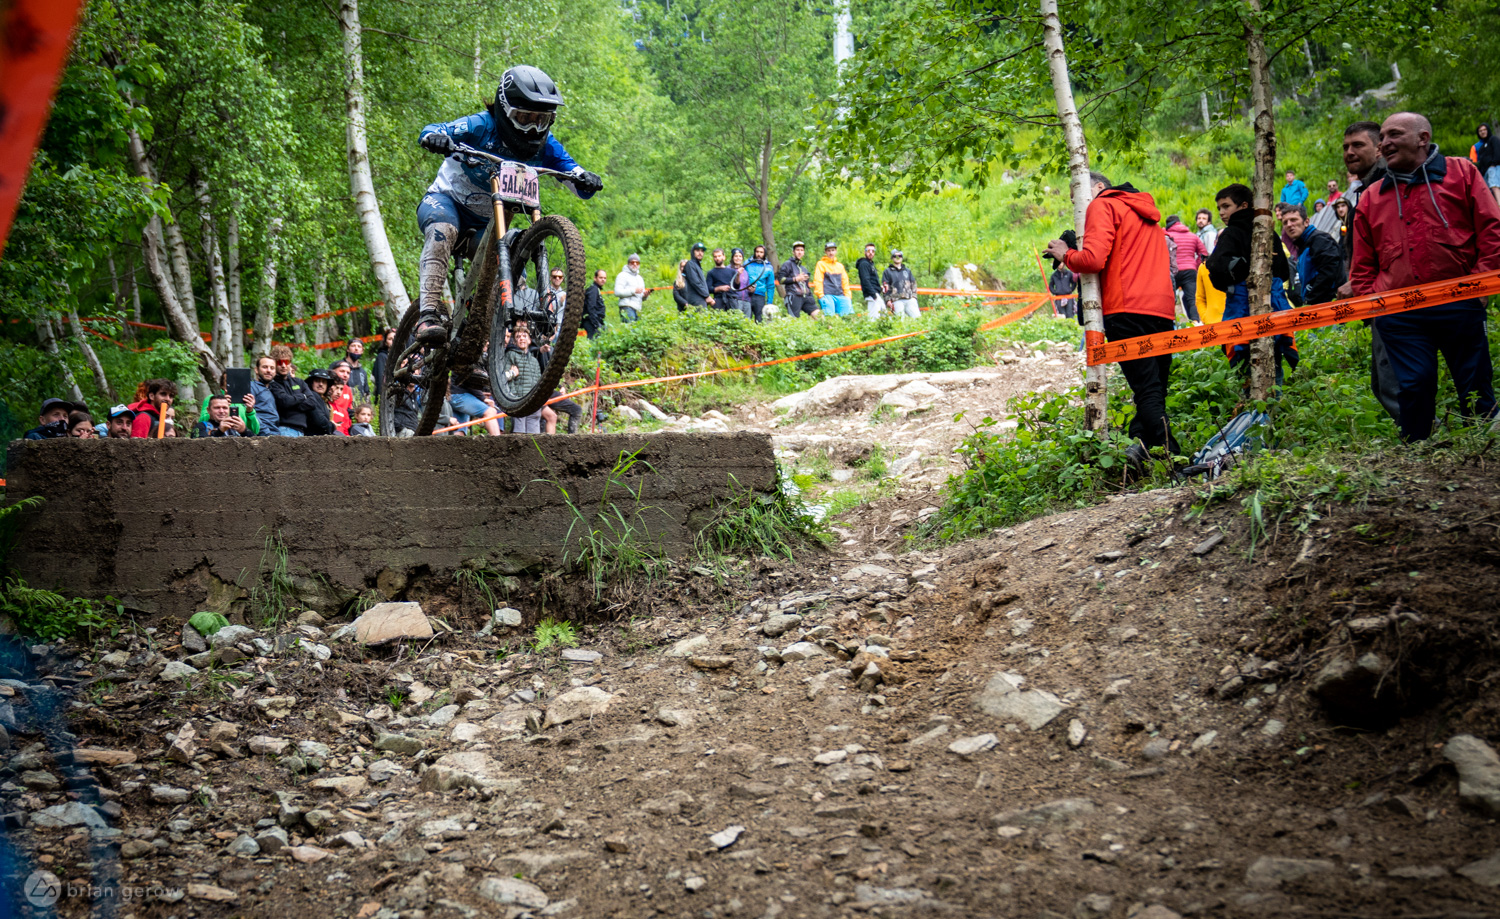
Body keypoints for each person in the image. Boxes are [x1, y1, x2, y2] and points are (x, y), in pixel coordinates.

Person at [412, 65, 602, 345]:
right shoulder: (481, 125)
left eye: (542, 119)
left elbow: (573, 174)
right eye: (525, 118)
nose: (534, 127)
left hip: (489, 226)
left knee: (514, 258)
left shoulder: (546, 145)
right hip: (446, 202)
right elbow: (434, 130)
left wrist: (585, 179)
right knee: (443, 230)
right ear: (505, 109)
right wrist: (435, 138)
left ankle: (483, 347)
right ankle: (427, 315)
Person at [1350, 111, 1500, 442]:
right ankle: (1417, 453)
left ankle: (1486, 451)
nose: (1385, 143)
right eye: (1383, 137)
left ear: (1422, 138)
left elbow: (1492, 229)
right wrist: (1375, 305)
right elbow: (1362, 266)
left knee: (1474, 383)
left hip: (1461, 301)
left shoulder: (1461, 172)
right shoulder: (1372, 198)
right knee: (1413, 385)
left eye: (1394, 135)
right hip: (1401, 315)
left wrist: (1481, 284)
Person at [1044, 171, 1179, 466]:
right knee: (1155, 387)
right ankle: (1142, 447)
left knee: (1147, 390)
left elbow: (1093, 260)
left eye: (1077, 197)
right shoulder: (1145, 212)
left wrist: (1066, 254)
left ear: (1098, 187)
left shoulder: (1102, 205)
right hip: (1161, 309)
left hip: (1126, 308)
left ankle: (1175, 458)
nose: (1077, 205)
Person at [1337, 119, 1400, 425]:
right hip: (1375, 294)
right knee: (1383, 383)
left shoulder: (1389, 184)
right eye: (1346, 146)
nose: (1349, 152)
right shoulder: (1363, 191)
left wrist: (1361, 282)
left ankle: (1423, 438)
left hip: (1392, 294)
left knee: (1390, 382)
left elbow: (1391, 240)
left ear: (1379, 148)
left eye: (1358, 145)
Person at [1207, 183, 1300, 386]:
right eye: (1219, 208)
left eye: (1226, 206)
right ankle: (1275, 408)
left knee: (1246, 369)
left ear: (1243, 206)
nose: (1222, 212)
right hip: (1273, 306)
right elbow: (1284, 270)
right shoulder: (1268, 232)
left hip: (1241, 310)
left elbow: (1214, 266)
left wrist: (1234, 281)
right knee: (1273, 360)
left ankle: (1255, 412)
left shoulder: (1231, 233)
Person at [1280, 204, 1344, 306]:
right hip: (1317, 305)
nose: (1289, 225)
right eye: (1285, 222)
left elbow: (1329, 273)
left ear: (1306, 222)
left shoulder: (1320, 240)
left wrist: (1310, 300)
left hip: (1330, 306)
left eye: (1293, 220)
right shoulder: (1302, 245)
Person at [268, 346, 323, 437]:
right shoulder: (273, 384)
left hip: (302, 431)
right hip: (284, 429)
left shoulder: (299, 382)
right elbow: (285, 401)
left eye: (286, 362)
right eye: (280, 362)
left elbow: (312, 402)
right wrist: (303, 397)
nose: (283, 365)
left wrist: (292, 404)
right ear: (275, 364)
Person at [1163, 215, 1208, 322]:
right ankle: (1195, 322)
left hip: (1172, 272)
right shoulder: (1193, 236)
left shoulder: (1166, 236)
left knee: (1169, 299)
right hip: (1190, 271)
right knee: (1192, 299)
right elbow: (1204, 254)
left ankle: (1170, 322)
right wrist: (1195, 265)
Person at [503, 324, 546, 434]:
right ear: (515, 341)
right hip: (519, 401)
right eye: (518, 337)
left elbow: (538, 382)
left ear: (530, 340)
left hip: (533, 403)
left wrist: (539, 400)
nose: (521, 338)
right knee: (519, 435)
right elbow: (505, 378)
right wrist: (513, 397)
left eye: (524, 336)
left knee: (534, 435)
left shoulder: (534, 360)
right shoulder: (510, 355)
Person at [812, 242, 854, 317]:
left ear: (836, 251)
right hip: (827, 295)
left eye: (832, 250)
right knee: (829, 318)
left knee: (848, 316)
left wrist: (848, 296)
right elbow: (818, 280)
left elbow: (845, 282)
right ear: (825, 252)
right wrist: (821, 295)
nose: (831, 253)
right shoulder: (821, 264)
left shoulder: (840, 266)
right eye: (829, 251)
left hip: (841, 295)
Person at [777, 241, 817, 319]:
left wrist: (811, 296)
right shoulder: (787, 264)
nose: (799, 252)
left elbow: (807, 285)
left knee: (819, 316)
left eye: (801, 250)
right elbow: (781, 280)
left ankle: (830, 330)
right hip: (793, 296)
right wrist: (796, 279)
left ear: (804, 253)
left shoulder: (804, 269)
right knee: (794, 320)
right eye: (797, 250)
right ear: (793, 252)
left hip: (806, 297)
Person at [882, 249, 920, 319]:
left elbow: (913, 284)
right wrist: (887, 300)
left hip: (909, 299)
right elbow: (885, 287)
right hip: (896, 300)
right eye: (895, 256)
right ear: (892, 257)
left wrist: (914, 297)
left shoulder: (907, 271)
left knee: (917, 318)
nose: (897, 257)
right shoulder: (887, 272)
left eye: (899, 256)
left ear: (902, 257)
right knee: (900, 321)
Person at [1470, 123, 1500, 207]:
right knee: (1487, 188)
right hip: (1486, 171)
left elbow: (1498, 152)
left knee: (1495, 185)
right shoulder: (1482, 147)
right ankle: (1493, 206)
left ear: (1488, 130)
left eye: (1484, 130)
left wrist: (1493, 163)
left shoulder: (1493, 139)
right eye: (1480, 131)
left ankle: (1499, 204)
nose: (1483, 132)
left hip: (1495, 167)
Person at [303, 368, 341, 435]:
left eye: (324, 382)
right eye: (317, 381)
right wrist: (332, 426)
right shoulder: (311, 396)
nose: (321, 384)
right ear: (311, 383)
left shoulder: (323, 401)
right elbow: (320, 422)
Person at [250, 355, 281, 435]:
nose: (269, 370)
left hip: (275, 431)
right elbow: (249, 411)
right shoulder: (252, 387)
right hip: (263, 434)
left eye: (272, 368)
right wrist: (265, 432)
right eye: (265, 367)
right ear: (256, 370)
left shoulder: (272, 389)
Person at [745, 245, 776, 322]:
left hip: (760, 296)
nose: (759, 254)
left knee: (759, 320)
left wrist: (769, 302)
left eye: (761, 252)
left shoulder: (768, 267)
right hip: (747, 295)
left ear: (764, 254)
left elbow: (770, 286)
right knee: (746, 318)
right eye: (757, 252)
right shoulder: (747, 263)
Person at [614, 254, 648, 323]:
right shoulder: (622, 275)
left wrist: (645, 295)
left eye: (637, 262)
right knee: (629, 330)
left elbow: (641, 297)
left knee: (636, 332)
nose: (635, 264)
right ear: (628, 263)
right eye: (632, 262)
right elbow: (617, 292)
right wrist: (634, 291)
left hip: (638, 309)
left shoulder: (640, 278)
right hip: (626, 307)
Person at [855, 243, 884, 319]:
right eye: (868, 250)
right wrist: (873, 294)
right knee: (874, 317)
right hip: (872, 294)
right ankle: (872, 330)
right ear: (865, 252)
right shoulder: (864, 264)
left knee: (883, 314)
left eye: (873, 251)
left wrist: (879, 287)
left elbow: (872, 280)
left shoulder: (870, 264)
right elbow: (865, 281)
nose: (871, 252)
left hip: (875, 293)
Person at [706, 248, 737, 314]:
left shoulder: (732, 271)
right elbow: (708, 289)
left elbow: (737, 286)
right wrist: (720, 288)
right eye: (715, 256)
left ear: (724, 257)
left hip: (731, 300)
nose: (717, 258)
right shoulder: (711, 273)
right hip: (718, 300)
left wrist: (738, 276)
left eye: (719, 256)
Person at [328, 360, 356, 433]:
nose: (345, 375)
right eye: (342, 371)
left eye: (348, 373)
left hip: (343, 421)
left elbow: (349, 409)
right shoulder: (326, 389)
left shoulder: (348, 390)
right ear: (333, 371)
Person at [682, 243, 711, 309]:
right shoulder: (690, 264)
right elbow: (695, 282)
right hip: (696, 301)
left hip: (701, 299)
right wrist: (706, 295)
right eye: (697, 250)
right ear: (693, 252)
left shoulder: (697, 266)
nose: (700, 253)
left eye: (702, 251)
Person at [372, 328, 396, 401]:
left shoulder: (401, 357)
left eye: (395, 338)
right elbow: (380, 379)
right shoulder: (382, 357)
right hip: (386, 397)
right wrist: (381, 399)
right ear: (385, 342)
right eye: (390, 339)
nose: (393, 341)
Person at [582, 268, 608, 337]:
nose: (603, 280)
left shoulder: (596, 289)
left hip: (595, 320)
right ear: (595, 278)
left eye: (605, 278)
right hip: (591, 321)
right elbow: (591, 306)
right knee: (594, 342)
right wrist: (596, 324)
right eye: (601, 278)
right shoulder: (593, 289)